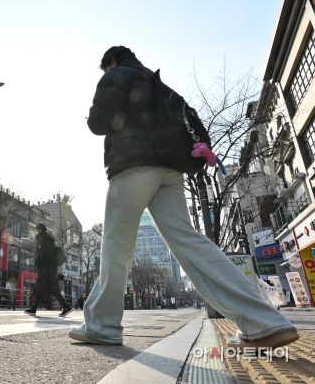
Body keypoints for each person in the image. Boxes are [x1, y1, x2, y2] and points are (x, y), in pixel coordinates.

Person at [70, 46, 299, 349]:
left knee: (116, 246)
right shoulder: (159, 85)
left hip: (133, 168)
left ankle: (102, 327)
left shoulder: (117, 75)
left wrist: (95, 111)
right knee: (189, 241)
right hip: (171, 172)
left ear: (111, 61)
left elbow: (98, 123)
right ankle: (265, 322)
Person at [24, 223, 72, 317]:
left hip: (45, 268)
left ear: (39, 230)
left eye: (36, 230)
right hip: (51, 268)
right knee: (41, 288)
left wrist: (37, 262)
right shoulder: (50, 239)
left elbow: (41, 252)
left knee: (50, 289)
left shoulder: (41, 238)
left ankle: (66, 307)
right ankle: (34, 309)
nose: (36, 232)